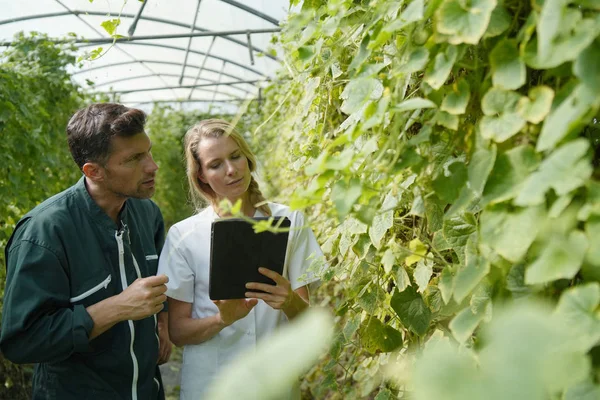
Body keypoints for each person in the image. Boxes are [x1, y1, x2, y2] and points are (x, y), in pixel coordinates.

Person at [0, 103, 172, 400]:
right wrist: (117, 307)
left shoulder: (147, 214)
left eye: (148, 151)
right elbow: (22, 341)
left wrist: (162, 324)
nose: (152, 166)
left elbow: (158, 281)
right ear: (94, 171)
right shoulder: (44, 233)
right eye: (134, 159)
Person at [157, 119, 324, 399]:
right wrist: (222, 319)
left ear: (248, 158)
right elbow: (179, 332)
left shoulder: (290, 220)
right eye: (215, 164)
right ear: (201, 176)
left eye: (235, 157)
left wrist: (289, 301)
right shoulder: (184, 235)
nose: (231, 170)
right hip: (210, 386)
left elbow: (307, 321)